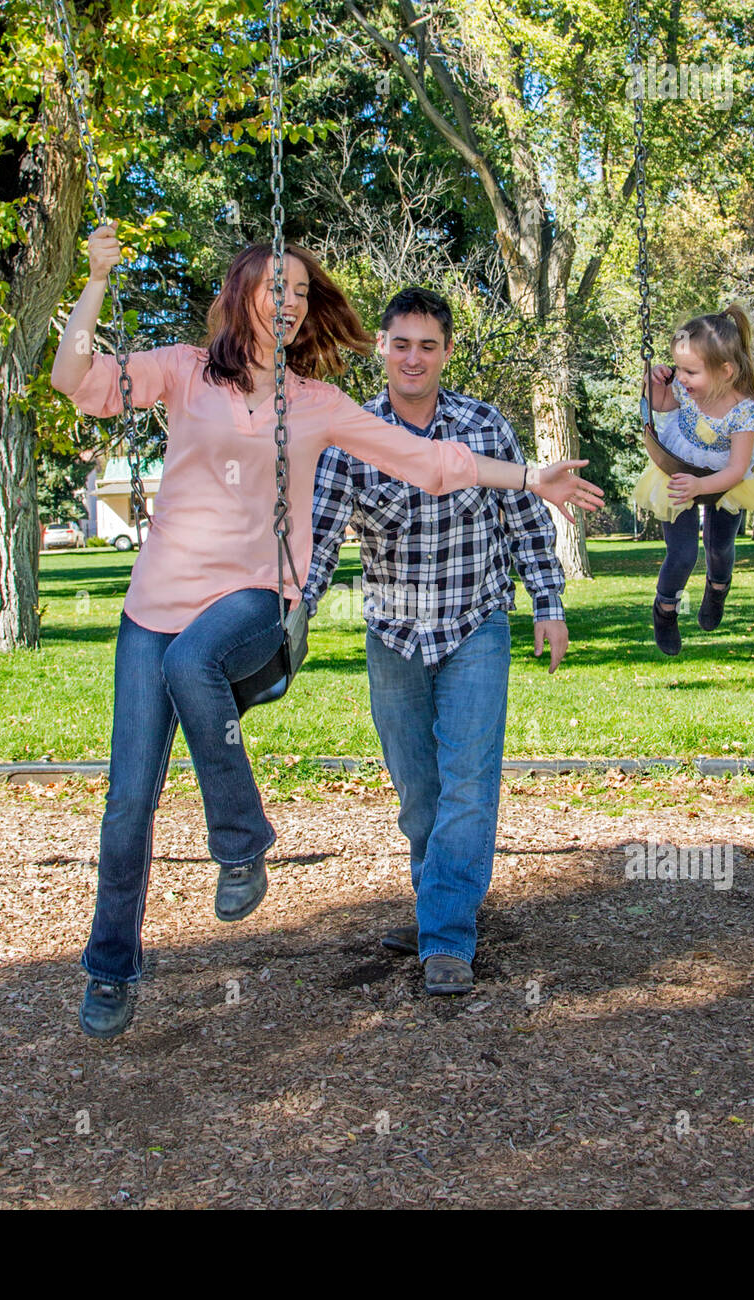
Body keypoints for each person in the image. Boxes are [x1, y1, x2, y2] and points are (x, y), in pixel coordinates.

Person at [49, 226, 605, 1037]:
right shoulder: (180, 370)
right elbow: (75, 377)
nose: (290, 302)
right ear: (243, 293)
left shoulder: (316, 406)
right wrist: (94, 279)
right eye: (277, 287)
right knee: (128, 801)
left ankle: (247, 843)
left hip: (255, 596)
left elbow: (431, 462)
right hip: (153, 605)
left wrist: (529, 478)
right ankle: (111, 968)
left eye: (303, 293)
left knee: (198, 668)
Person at [303, 287, 579, 996]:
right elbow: (321, 536)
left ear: (447, 352)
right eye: (401, 344)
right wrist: (291, 617)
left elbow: (525, 522)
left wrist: (548, 604)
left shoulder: (484, 426)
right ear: (382, 351)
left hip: (474, 623)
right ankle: (440, 907)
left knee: (468, 783)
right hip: (392, 630)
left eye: (428, 345)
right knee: (419, 794)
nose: (413, 357)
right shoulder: (353, 433)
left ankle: (448, 937)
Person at [632, 304, 754, 656]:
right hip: (678, 469)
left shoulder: (745, 410)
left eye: (690, 371)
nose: (681, 378)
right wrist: (652, 383)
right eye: (679, 368)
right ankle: (665, 610)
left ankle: (717, 586)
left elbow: (737, 470)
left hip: (725, 482)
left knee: (719, 548)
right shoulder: (685, 390)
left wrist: (701, 486)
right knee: (682, 554)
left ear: (725, 371)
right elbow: (657, 404)